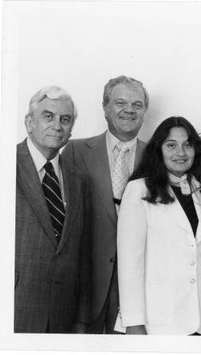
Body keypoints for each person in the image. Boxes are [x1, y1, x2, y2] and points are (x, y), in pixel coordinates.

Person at [114, 116, 201, 335]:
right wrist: (133, 321)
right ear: (159, 150)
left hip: (200, 319)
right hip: (157, 320)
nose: (181, 153)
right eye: (171, 145)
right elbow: (130, 263)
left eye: (187, 145)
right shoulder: (139, 190)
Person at [61, 75, 149, 334]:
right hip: (87, 285)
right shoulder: (74, 151)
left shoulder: (157, 156)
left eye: (137, 104)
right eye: (120, 102)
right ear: (104, 107)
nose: (129, 110)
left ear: (145, 111)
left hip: (139, 286)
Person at [15, 86, 91, 333]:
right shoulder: (4, 164)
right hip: (13, 312)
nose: (57, 125)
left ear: (71, 130)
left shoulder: (77, 179)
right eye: (48, 116)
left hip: (63, 319)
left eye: (65, 119)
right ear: (29, 122)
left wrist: (80, 321)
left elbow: (83, 256)